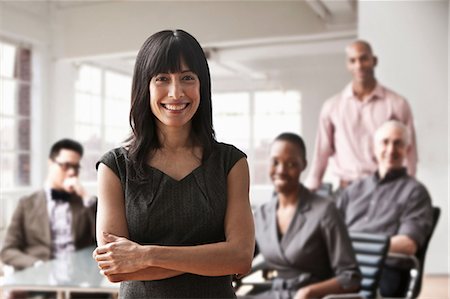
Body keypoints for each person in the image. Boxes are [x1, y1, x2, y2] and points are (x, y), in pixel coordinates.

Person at [92, 29, 255, 298]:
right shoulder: (114, 167)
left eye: (187, 78)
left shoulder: (231, 163)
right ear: (144, 86)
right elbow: (117, 269)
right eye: (162, 79)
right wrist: (212, 258)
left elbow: (240, 258)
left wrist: (145, 255)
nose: (176, 92)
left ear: (202, 85)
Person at [250, 133, 361, 299]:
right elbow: (242, 258)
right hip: (275, 294)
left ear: (303, 165)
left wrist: (310, 292)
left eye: (291, 164)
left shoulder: (325, 211)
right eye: (275, 162)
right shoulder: (263, 214)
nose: (281, 170)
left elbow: (351, 278)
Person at [336, 120, 433, 297]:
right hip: (343, 269)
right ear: (374, 147)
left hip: (384, 272)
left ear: (407, 150)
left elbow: (407, 245)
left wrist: (350, 246)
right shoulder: (352, 190)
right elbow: (330, 233)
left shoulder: (415, 192)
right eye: (385, 142)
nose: (390, 149)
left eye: (398, 143)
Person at [305, 40, 418, 192]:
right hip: (346, 191)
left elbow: (409, 150)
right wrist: (310, 188)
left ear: (374, 61)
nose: (359, 65)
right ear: (348, 65)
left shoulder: (397, 104)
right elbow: (322, 151)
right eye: (353, 60)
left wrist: (409, 188)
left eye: (364, 58)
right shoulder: (332, 107)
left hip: (386, 188)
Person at [1, 139, 98, 299]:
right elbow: (8, 251)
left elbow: (102, 240)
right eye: (66, 166)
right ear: (50, 164)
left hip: (79, 284)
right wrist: (35, 264)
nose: (72, 172)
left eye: (75, 167)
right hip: (39, 281)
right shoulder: (27, 204)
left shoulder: (86, 203)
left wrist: (86, 198)